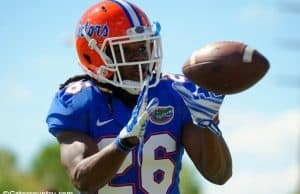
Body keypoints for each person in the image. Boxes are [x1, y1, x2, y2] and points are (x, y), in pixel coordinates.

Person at [46, 0, 232, 193]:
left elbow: (219, 175)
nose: (140, 60)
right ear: (94, 54)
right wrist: (123, 143)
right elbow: (82, 179)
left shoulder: (177, 92)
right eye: (125, 50)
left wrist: (209, 125)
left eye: (143, 48)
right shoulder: (79, 101)